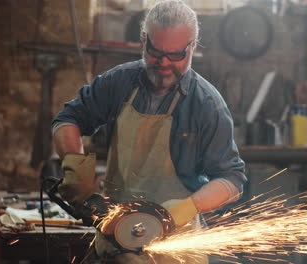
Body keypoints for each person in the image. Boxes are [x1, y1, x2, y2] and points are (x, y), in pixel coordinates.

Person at [51, 1, 246, 263]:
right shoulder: (119, 82)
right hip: (115, 233)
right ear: (143, 40)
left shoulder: (207, 105)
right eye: (155, 52)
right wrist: (75, 168)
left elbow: (232, 180)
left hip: (176, 246)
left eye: (175, 54)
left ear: (192, 47)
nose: (164, 63)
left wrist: (184, 209)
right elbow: (68, 119)